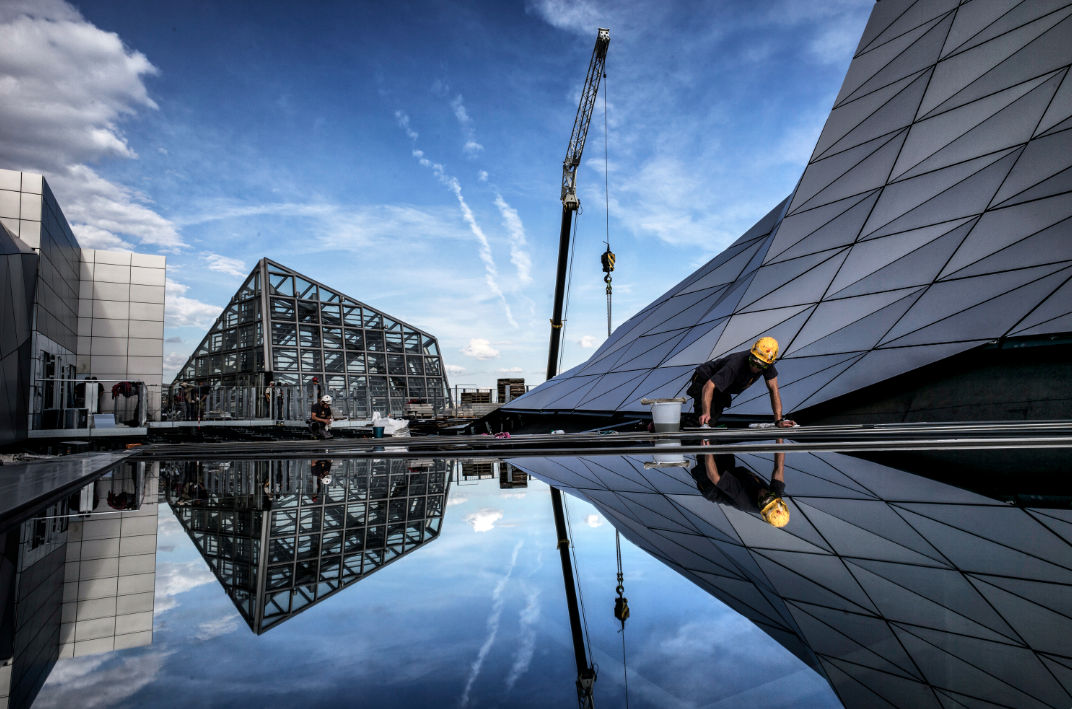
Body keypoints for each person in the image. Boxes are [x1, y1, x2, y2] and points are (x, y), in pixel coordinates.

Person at [685, 336, 796, 428]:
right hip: (705, 379)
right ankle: (685, 435)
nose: (754, 367)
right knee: (705, 420)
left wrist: (778, 421)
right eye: (752, 361)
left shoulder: (767, 362)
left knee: (713, 419)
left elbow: (774, 390)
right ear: (751, 353)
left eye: (759, 366)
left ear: (767, 363)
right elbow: (709, 386)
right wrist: (706, 413)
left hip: (722, 386)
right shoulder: (735, 365)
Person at [690, 444, 790, 527]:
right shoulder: (775, 503)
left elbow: (714, 477)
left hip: (712, 484)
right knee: (720, 443)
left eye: (762, 500)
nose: (762, 493)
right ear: (777, 499)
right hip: (732, 475)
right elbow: (779, 466)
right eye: (769, 495)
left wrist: (707, 448)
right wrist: (779, 428)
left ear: (761, 510)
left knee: (703, 445)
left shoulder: (743, 497)